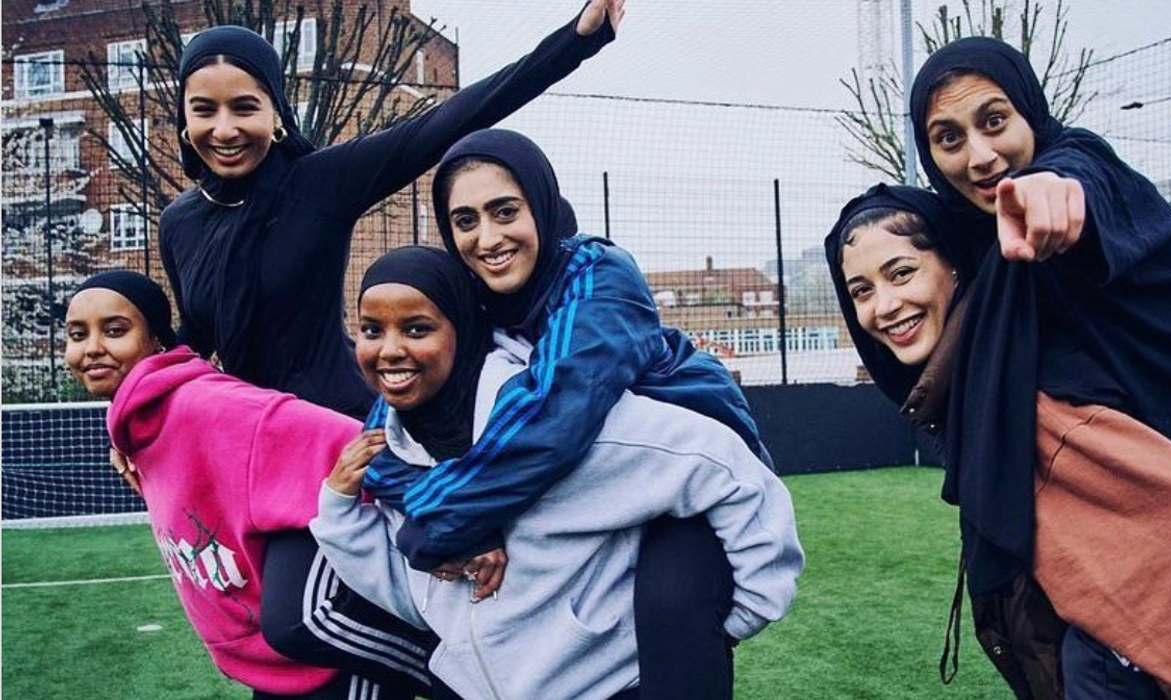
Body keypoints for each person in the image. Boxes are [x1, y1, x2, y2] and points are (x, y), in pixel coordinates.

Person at [363, 129, 770, 698]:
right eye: (465, 220)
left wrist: (435, 524)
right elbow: (383, 435)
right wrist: (419, 499)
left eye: (505, 211)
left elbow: (553, 415)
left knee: (670, 608)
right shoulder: (473, 298)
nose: (487, 237)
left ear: (542, 204)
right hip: (597, 486)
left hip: (687, 490)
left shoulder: (599, 276)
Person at [311, 246, 803, 700]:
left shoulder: (561, 429)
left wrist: (743, 614)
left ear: (462, 328)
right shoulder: (397, 455)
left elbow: (726, 463)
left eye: (417, 329)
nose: (389, 350)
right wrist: (339, 510)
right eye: (372, 330)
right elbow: (412, 596)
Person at [825, 183, 1171, 700]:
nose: (884, 306)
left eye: (902, 273)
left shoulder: (1026, 396)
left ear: (954, 264)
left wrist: (1129, 660)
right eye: (861, 291)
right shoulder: (975, 387)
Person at [160, 0, 624, 420]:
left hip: (336, 429)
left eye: (244, 108)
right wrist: (135, 408)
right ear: (185, 118)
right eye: (204, 110)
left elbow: (449, 121)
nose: (224, 129)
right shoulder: (179, 223)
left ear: (276, 113)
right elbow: (197, 339)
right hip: (247, 435)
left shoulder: (318, 183)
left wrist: (575, 41)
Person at [63, 270, 439, 700]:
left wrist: (444, 516)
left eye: (115, 331)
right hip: (275, 668)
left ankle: (458, 671)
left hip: (337, 658)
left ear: (156, 341)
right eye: (77, 334)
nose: (92, 348)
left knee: (295, 622)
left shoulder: (204, 403)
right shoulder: (138, 428)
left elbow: (341, 436)